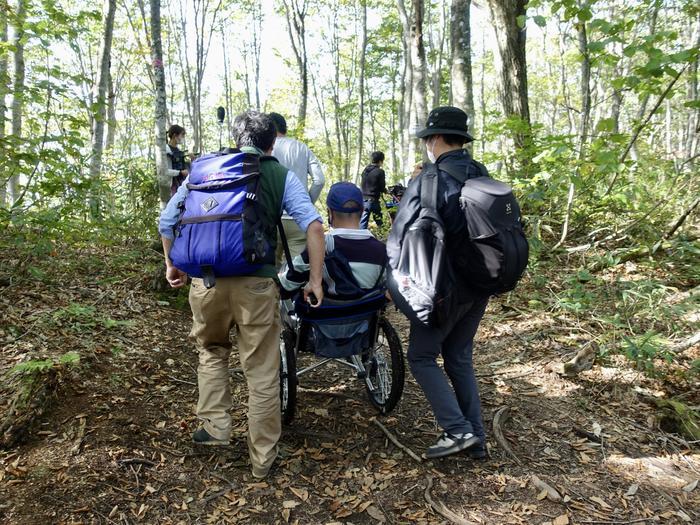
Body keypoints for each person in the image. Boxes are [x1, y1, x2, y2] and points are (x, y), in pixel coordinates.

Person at [158, 110, 325, 479]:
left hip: (206, 282)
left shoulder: (204, 170)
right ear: (272, 143)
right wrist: (314, 279)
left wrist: (173, 264)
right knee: (262, 369)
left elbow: (167, 221)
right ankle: (262, 458)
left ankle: (216, 428)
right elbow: (313, 226)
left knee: (212, 351)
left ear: (237, 139)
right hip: (256, 284)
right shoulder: (278, 173)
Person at [387, 106, 490, 460]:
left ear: (433, 139)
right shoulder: (480, 173)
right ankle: (477, 438)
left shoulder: (430, 179)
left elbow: (399, 237)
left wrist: (394, 279)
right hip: (479, 284)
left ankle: (458, 430)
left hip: (441, 288)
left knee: (421, 356)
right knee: (459, 357)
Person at [279, 182, 387, 300]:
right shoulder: (382, 251)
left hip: (325, 315)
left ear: (329, 213)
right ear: (362, 211)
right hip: (366, 315)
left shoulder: (320, 246)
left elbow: (286, 286)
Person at [268, 112, 326, 266]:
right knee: (295, 275)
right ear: (285, 128)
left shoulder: (265, 149)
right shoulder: (302, 148)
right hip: (298, 219)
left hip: (270, 219)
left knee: (268, 275)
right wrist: (305, 202)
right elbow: (319, 180)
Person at [359, 151, 387, 229]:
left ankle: (360, 238)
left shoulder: (365, 170)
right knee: (378, 219)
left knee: (363, 221)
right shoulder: (380, 171)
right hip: (373, 199)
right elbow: (382, 187)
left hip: (363, 199)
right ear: (381, 161)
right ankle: (383, 235)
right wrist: (385, 191)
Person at [165, 125, 189, 200]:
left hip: (182, 184)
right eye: (182, 135)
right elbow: (166, 171)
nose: (183, 138)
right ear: (175, 135)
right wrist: (180, 172)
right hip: (172, 186)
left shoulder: (178, 151)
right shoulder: (167, 150)